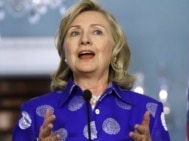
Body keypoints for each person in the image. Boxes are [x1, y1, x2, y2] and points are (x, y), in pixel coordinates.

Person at [12, 0, 171, 140]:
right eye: (75, 33)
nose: (85, 40)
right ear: (65, 52)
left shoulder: (148, 111)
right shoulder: (33, 112)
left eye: (97, 31)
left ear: (114, 49)